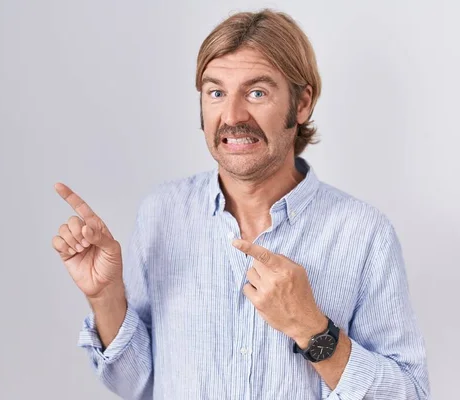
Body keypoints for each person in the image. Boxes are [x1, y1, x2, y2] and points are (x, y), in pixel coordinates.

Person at [52, 9, 430, 400]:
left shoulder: (364, 234)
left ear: (301, 104)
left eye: (257, 93)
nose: (232, 116)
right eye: (216, 93)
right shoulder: (161, 213)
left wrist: (313, 330)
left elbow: (411, 394)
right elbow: (136, 384)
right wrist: (106, 297)